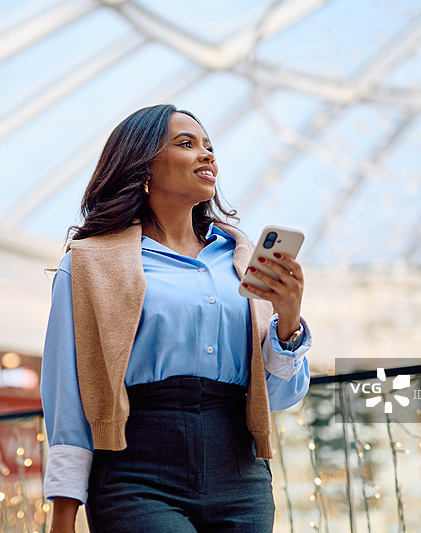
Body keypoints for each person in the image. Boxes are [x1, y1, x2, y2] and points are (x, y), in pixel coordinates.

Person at [40, 104, 311, 533]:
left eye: (209, 146)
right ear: (143, 163)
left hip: (241, 475)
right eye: (187, 144)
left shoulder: (240, 260)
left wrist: (288, 318)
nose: (208, 156)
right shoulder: (90, 264)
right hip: (136, 472)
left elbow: (279, 396)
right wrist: (62, 516)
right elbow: (68, 395)